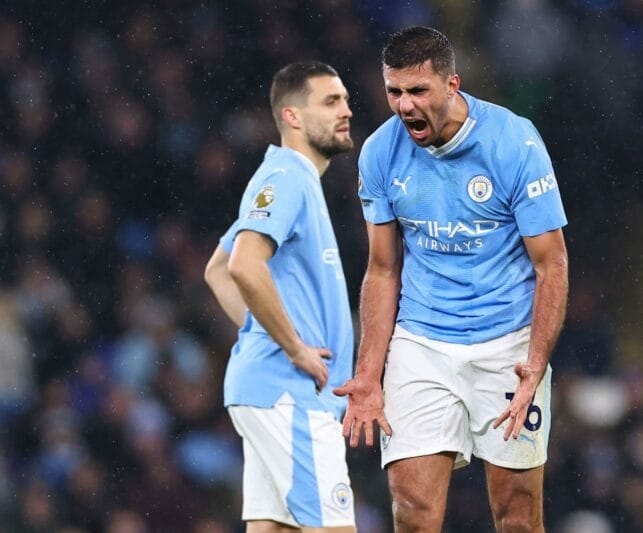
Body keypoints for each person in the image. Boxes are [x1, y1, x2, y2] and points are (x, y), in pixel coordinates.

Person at [333, 27, 569, 532]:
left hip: (507, 346)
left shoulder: (513, 142)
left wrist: (535, 360)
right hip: (422, 345)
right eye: (394, 91)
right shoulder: (379, 153)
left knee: (517, 515)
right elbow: (382, 269)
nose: (404, 105)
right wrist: (369, 373)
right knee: (412, 509)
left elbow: (552, 263)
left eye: (417, 91)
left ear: (452, 85)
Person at [204, 61, 356, 533]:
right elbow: (242, 266)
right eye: (331, 101)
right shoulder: (287, 177)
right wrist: (289, 346)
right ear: (291, 116)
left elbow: (215, 271)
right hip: (290, 395)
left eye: (346, 100)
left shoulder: (290, 179)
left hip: (272, 393)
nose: (346, 111)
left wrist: (264, 333)